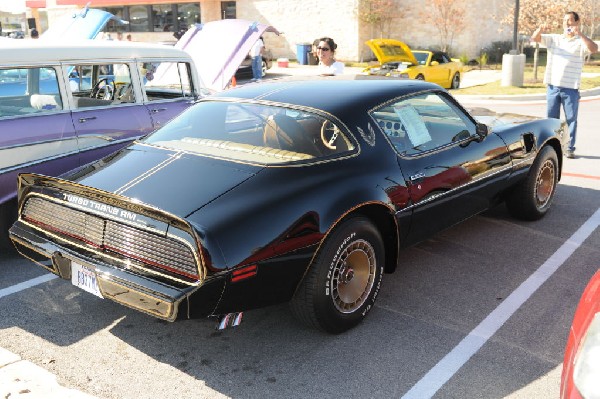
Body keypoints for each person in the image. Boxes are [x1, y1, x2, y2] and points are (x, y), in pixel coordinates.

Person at [531, 11, 598, 159]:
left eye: (570, 21)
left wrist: (580, 34)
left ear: (576, 23)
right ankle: (551, 146)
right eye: (564, 20)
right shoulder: (554, 39)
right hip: (553, 87)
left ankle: (569, 148)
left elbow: (594, 49)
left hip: (571, 88)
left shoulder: (581, 41)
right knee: (551, 119)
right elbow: (535, 38)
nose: (566, 23)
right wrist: (540, 30)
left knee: (571, 120)